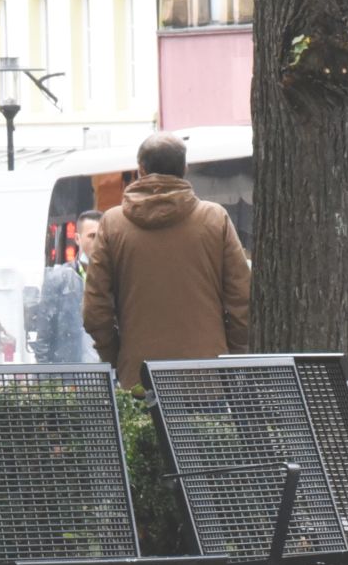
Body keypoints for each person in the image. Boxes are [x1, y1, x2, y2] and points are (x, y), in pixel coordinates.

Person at [82, 132, 251, 389]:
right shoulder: (214, 219)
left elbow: (96, 311)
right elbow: (241, 299)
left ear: (140, 169)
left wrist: (116, 356)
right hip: (206, 374)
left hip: (140, 377)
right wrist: (232, 355)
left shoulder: (113, 224)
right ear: (184, 169)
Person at [73, 209, 104, 274]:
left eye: (102, 237)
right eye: (92, 236)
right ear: (77, 239)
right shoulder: (62, 277)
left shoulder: (118, 276)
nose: (98, 242)